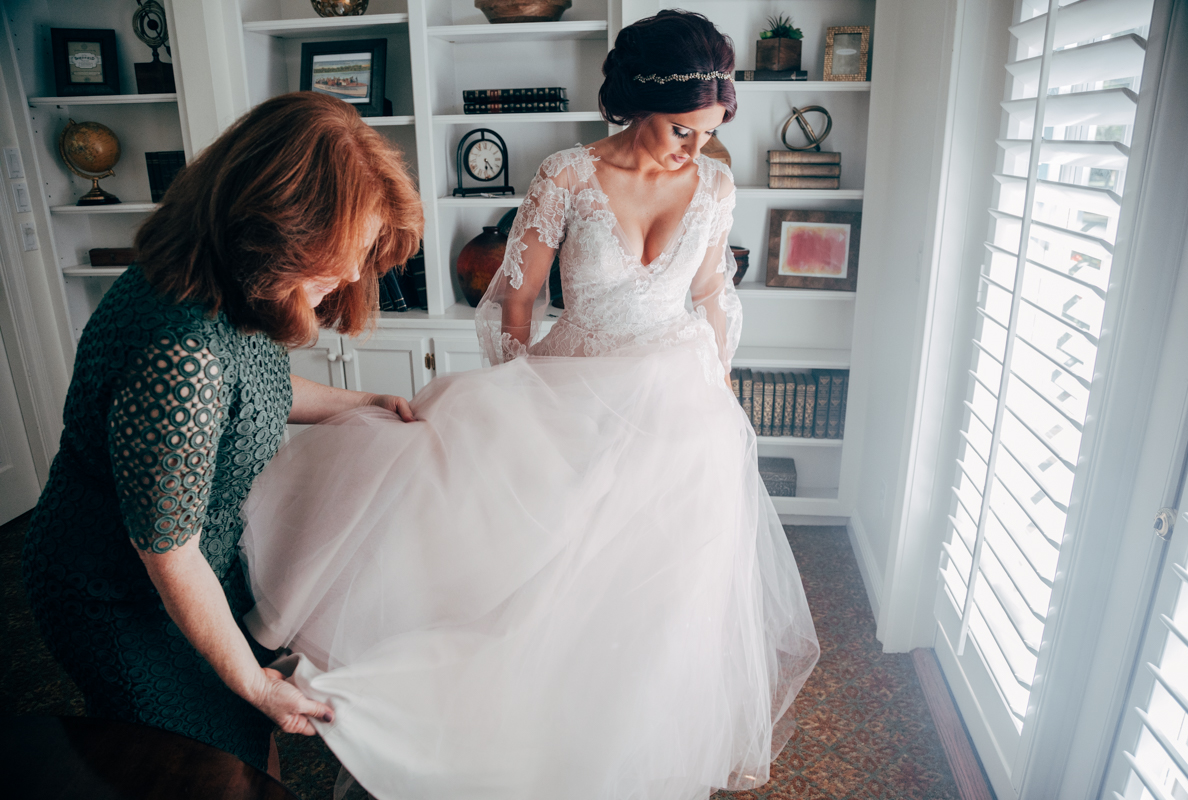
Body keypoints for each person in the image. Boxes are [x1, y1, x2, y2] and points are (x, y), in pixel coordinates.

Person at [240, 10, 820, 799]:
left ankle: (621, 747)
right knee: (527, 579)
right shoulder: (567, 176)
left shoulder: (716, 180)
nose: (697, 147)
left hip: (683, 417)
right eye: (683, 130)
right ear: (639, 106)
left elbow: (713, 291)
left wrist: (719, 387)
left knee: (659, 602)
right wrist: (518, 398)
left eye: (709, 131)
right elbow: (513, 307)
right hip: (567, 397)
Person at [21, 91, 424, 775]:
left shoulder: (228, 289)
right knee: (192, 766)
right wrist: (255, 683)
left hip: (197, 565)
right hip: (119, 597)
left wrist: (364, 400)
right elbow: (167, 552)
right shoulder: (179, 353)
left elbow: (251, 393)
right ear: (276, 229)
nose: (356, 273)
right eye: (344, 251)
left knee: (241, 748)